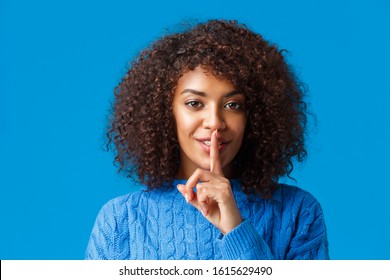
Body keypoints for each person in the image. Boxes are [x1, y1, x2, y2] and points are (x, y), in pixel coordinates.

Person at [85, 19, 329, 260]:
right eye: (194, 103)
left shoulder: (298, 212)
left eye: (232, 105)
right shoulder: (121, 221)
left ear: (253, 116)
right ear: (165, 113)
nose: (215, 121)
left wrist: (236, 227)